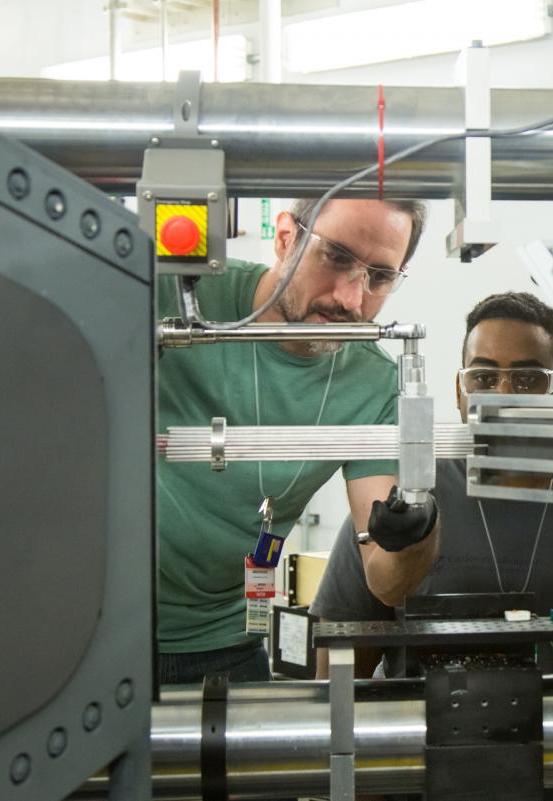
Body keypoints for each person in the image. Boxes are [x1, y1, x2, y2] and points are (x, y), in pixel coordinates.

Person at [157, 198, 441, 685]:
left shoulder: (373, 384)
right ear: (286, 237)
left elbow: (386, 580)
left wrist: (416, 530)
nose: (351, 299)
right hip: (84, 620)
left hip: (219, 641)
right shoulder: (175, 295)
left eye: (379, 277)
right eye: (336, 258)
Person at [312, 291, 553, 678]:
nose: (503, 396)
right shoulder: (411, 495)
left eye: (527, 379)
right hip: (416, 730)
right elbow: (339, 677)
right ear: (460, 392)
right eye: (484, 378)